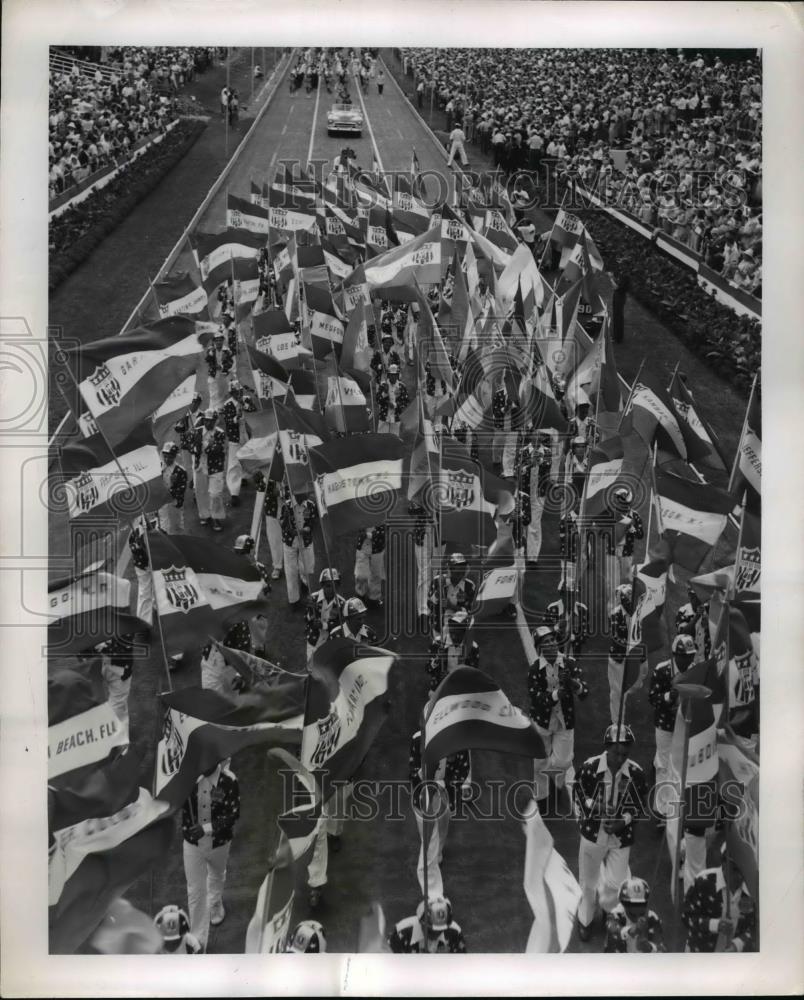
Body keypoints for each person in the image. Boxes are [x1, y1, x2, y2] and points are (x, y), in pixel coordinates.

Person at [574, 725, 648, 942]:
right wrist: (595, 806)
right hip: (592, 835)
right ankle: (585, 919)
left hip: (620, 838)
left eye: (625, 754)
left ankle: (609, 911)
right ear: (607, 748)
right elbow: (578, 793)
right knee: (587, 882)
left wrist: (621, 822)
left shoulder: (636, 773)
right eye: (616, 752)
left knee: (616, 883)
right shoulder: (590, 767)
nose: (620, 758)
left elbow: (639, 805)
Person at [181, 761, 240, 950]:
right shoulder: (186, 777)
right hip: (192, 845)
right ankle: (199, 942)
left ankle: (215, 902)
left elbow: (233, 814)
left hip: (219, 844)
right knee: (195, 891)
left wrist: (206, 828)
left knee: (216, 873)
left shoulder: (229, 781)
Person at [409, 721, 470, 900]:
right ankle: (432, 893)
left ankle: (438, 854)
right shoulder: (418, 740)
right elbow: (412, 773)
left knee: (441, 833)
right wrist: (424, 779)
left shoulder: (459, 742)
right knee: (429, 842)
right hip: (423, 797)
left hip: (447, 795)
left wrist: (446, 787)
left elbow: (463, 770)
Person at [528, 627, 587, 812]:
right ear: (539, 648)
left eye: (553, 639)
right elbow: (536, 699)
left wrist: (571, 683)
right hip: (542, 721)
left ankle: (556, 784)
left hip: (564, 721)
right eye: (546, 642)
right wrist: (555, 695)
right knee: (539, 763)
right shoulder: (535, 670)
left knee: (562, 762)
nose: (551, 643)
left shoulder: (569, 664)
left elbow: (584, 693)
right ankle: (542, 797)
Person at [648, 632, 697, 830]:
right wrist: (670, 696)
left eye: (691, 655)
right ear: (675, 655)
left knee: (681, 765)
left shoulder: (697, 671)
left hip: (686, 724)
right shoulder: (662, 670)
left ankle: (677, 805)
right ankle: (662, 811)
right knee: (663, 766)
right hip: (665, 725)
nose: (688, 659)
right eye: (684, 655)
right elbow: (653, 698)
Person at [682, 844, 756, 952]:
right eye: (735, 869)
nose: (740, 875)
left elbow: (756, 927)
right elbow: (686, 916)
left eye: (744, 868)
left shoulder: (752, 889)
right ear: (723, 863)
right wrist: (714, 924)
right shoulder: (703, 881)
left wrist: (737, 945)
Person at [279, 485, 317, 609]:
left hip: (306, 541)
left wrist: (308, 528)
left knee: (307, 567)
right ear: (297, 493)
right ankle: (294, 599)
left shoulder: (311, 505)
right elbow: (282, 523)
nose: (307, 493)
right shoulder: (287, 506)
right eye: (304, 491)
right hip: (290, 542)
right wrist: (288, 527)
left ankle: (304, 582)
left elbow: (313, 521)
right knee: (291, 571)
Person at [604, 877, 665, 953]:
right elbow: (612, 930)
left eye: (641, 904)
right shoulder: (616, 914)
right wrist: (631, 931)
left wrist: (650, 947)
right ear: (623, 903)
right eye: (632, 904)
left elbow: (661, 948)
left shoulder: (652, 917)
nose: (637, 909)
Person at [221, 379, 256, 507]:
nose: (238, 394)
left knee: (248, 457)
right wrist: (238, 415)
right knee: (234, 464)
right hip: (235, 437)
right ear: (231, 393)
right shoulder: (228, 405)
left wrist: (246, 405)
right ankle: (234, 493)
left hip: (246, 434)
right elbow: (229, 421)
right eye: (235, 392)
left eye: (240, 391)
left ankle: (245, 477)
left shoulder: (245, 399)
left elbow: (253, 410)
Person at [389, 896, 467, 953]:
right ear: (420, 922)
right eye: (430, 931)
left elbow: (461, 966)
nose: (435, 935)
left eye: (440, 931)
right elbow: (390, 965)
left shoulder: (455, 933)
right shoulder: (402, 932)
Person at [192, 409, 227, 531]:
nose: (208, 423)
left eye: (211, 420)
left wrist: (202, 445)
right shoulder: (197, 431)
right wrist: (199, 445)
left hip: (215, 467)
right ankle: (205, 515)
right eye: (206, 420)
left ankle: (216, 517)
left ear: (215, 421)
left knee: (215, 494)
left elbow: (217, 450)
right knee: (201, 492)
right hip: (200, 466)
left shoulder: (220, 433)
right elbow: (189, 446)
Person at [427, 610, 479, 691]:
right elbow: (428, 670)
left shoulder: (473, 648)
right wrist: (437, 659)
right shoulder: (437, 644)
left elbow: (473, 674)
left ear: (466, 633)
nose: (454, 636)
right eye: (452, 632)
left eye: (459, 633)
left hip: (461, 686)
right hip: (440, 684)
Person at [427, 552, 476, 635]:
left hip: (459, 631)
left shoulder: (469, 586)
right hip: (438, 627)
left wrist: (452, 607)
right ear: (449, 569)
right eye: (456, 571)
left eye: (463, 570)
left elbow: (470, 612)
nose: (460, 575)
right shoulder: (437, 581)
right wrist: (438, 591)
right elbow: (429, 605)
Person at [305, 567, 345, 663]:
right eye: (328, 586)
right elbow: (306, 618)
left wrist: (323, 625)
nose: (331, 589)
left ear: (338, 586)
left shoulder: (342, 603)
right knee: (311, 665)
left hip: (330, 641)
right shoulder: (313, 598)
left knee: (326, 666)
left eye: (334, 586)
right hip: (314, 639)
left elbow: (339, 624)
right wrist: (311, 618)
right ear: (322, 586)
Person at [607, 583, 633, 726]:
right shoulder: (615, 614)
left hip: (634, 659)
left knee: (633, 685)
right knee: (617, 693)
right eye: (627, 601)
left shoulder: (638, 612)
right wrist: (633, 645)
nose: (630, 604)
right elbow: (616, 639)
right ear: (622, 601)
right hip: (618, 659)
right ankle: (617, 724)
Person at [158, 441, 188, 534]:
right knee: (164, 524)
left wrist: (171, 488)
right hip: (162, 502)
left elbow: (181, 489)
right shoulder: (159, 469)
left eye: (170, 457)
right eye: (165, 456)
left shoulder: (180, 471)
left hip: (174, 502)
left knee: (177, 524)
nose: (167, 459)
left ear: (174, 456)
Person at [354, 525, 385, 608]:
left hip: (378, 547)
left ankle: (374, 597)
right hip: (363, 547)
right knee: (361, 575)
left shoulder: (382, 515)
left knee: (376, 574)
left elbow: (384, 531)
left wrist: (368, 535)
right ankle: (360, 594)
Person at [128, 520, 153, 624]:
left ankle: (143, 625)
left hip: (147, 545)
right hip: (143, 556)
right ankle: (142, 628)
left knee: (147, 590)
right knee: (146, 590)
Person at [376, 364, 410, 433]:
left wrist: (395, 405)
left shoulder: (402, 386)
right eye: (391, 374)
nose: (393, 377)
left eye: (395, 375)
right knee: (382, 439)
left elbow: (406, 402)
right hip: (384, 416)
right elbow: (378, 400)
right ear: (388, 375)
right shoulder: (383, 385)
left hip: (396, 417)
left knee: (394, 439)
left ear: (398, 375)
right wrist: (384, 393)